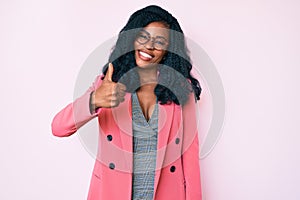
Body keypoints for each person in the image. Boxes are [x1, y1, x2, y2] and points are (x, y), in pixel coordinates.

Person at [51, 5, 202, 200]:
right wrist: (95, 100)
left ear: (167, 50)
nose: (149, 46)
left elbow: (190, 154)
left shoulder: (181, 89)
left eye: (160, 41)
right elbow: (58, 128)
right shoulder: (108, 83)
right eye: (143, 36)